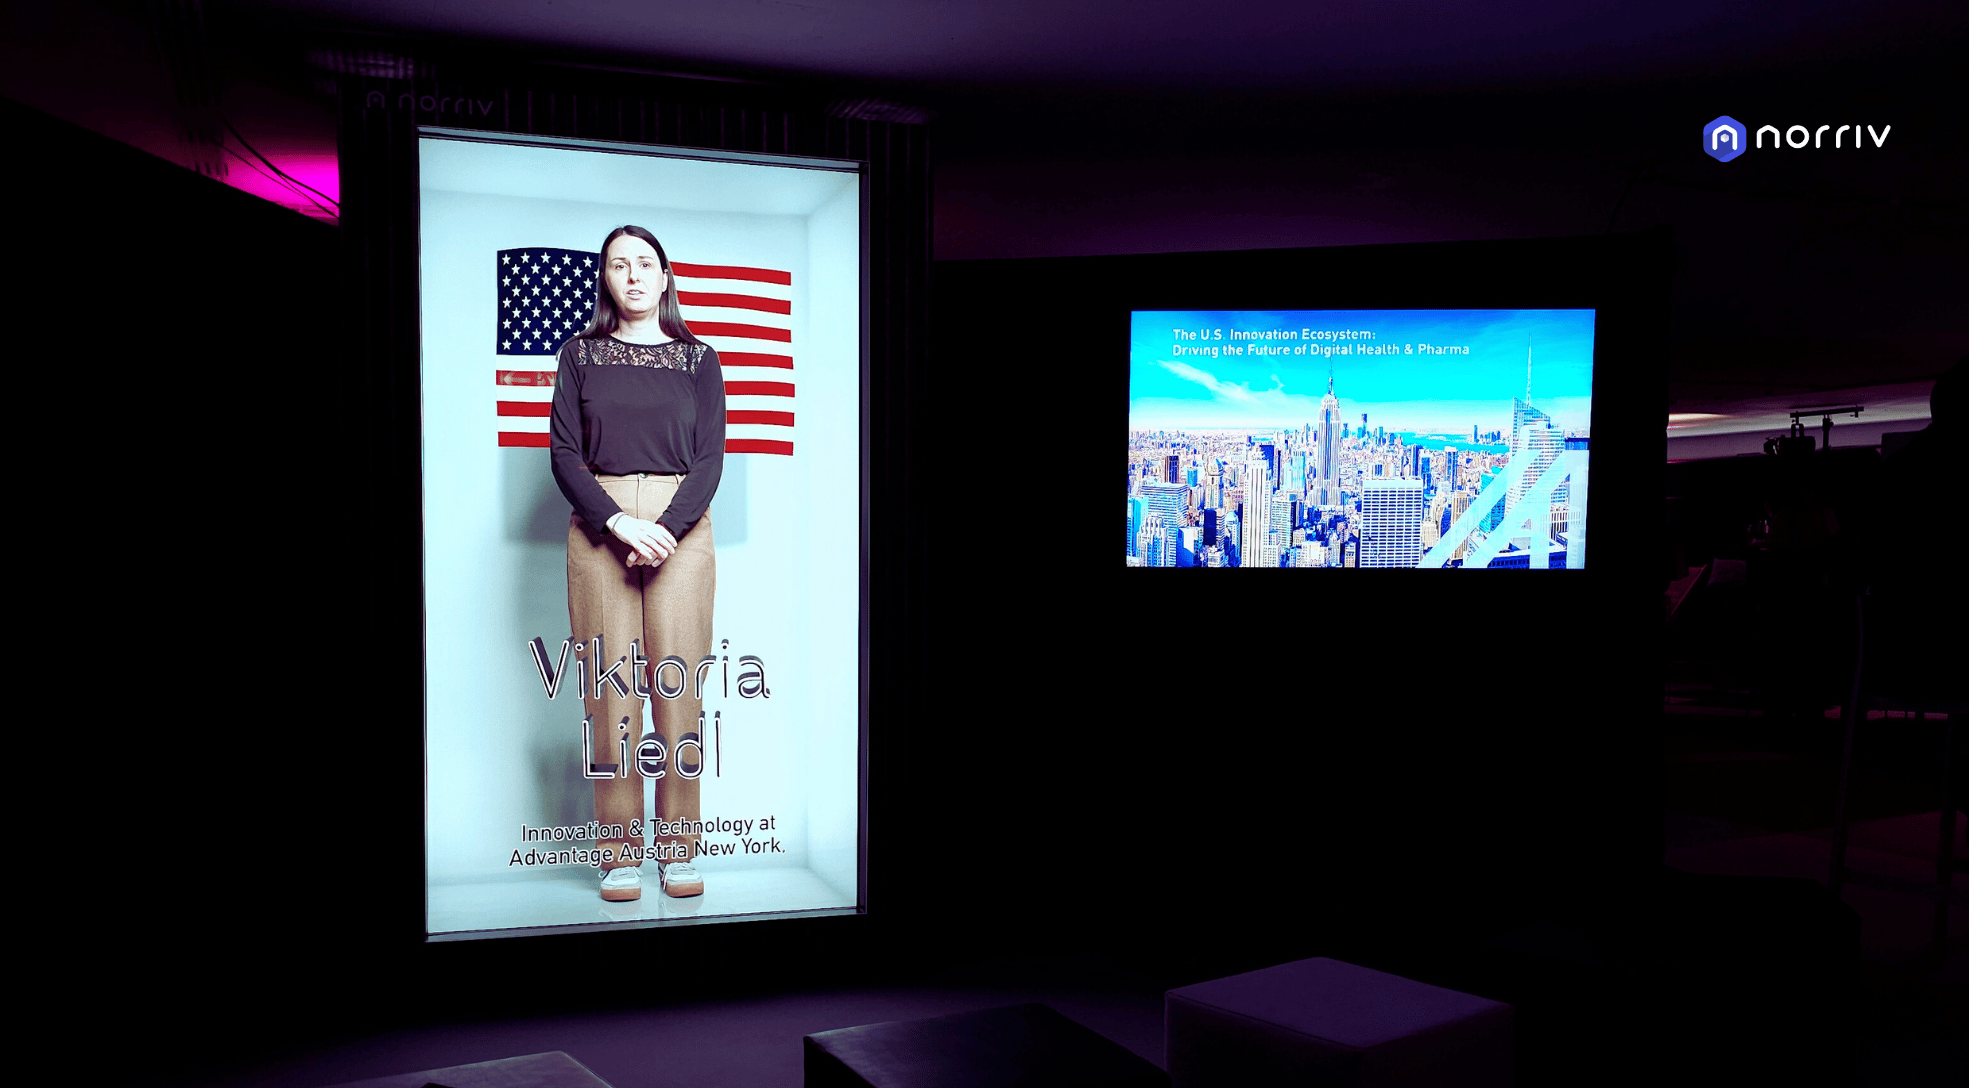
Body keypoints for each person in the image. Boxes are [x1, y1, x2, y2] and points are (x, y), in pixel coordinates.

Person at [549, 225, 725, 901]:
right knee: (610, 696)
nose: (632, 275)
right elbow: (564, 452)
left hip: (682, 520)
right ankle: (619, 854)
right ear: (606, 277)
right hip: (602, 520)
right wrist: (617, 520)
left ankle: (678, 851)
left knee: (676, 690)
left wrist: (666, 529)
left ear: (664, 276)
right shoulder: (580, 354)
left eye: (644, 263)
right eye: (618, 264)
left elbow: (710, 460)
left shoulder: (697, 359)